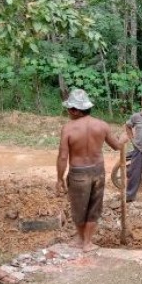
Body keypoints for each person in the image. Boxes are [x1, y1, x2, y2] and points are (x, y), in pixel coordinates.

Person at [56, 88, 124, 252]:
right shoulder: (102, 125)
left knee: (79, 209)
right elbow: (117, 146)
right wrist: (126, 136)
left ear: (74, 110)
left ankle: (83, 241)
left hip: (78, 174)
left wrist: (59, 178)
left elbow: (63, 157)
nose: (68, 112)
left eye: (69, 109)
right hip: (98, 171)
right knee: (94, 207)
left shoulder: (68, 128)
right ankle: (86, 241)